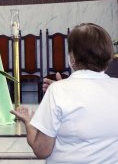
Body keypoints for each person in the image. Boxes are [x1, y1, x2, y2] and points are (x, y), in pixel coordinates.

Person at [11, 23, 118, 163]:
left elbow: (41, 149)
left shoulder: (58, 91)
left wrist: (29, 122)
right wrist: (64, 89)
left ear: (73, 57)